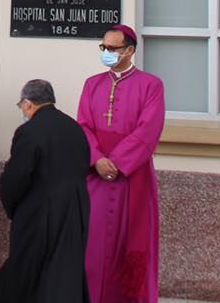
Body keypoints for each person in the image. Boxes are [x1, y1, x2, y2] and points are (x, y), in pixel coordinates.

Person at [0, 79, 90, 303]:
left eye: (21, 105)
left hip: (40, 212)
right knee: (65, 268)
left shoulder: (29, 131)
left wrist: (12, 206)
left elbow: (16, 176)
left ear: (28, 104)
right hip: (75, 208)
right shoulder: (74, 128)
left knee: (26, 267)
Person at [77, 24, 165, 303]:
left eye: (113, 48)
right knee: (93, 244)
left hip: (132, 176)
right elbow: (83, 126)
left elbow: (148, 130)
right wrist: (97, 159)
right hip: (96, 175)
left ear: (129, 50)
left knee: (129, 242)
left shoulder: (151, 85)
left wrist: (116, 162)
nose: (107, 52)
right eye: (104, 47)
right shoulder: (92, 84)